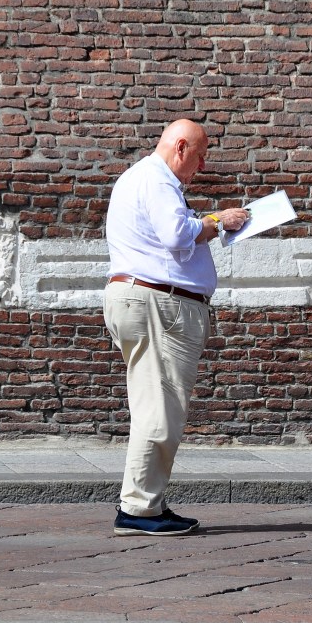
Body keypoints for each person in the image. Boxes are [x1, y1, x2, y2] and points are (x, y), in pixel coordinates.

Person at [103, 119, 249, 536]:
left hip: (144, 299)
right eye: (201, 155)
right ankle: (139, 509)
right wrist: (219, 220)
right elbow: (175, 234)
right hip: (161, 303)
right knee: (161, 408)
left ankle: (144, 503)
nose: (201, 166)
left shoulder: (140, 179)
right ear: (180, 146)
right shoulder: (157, 180)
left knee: (155, 403)